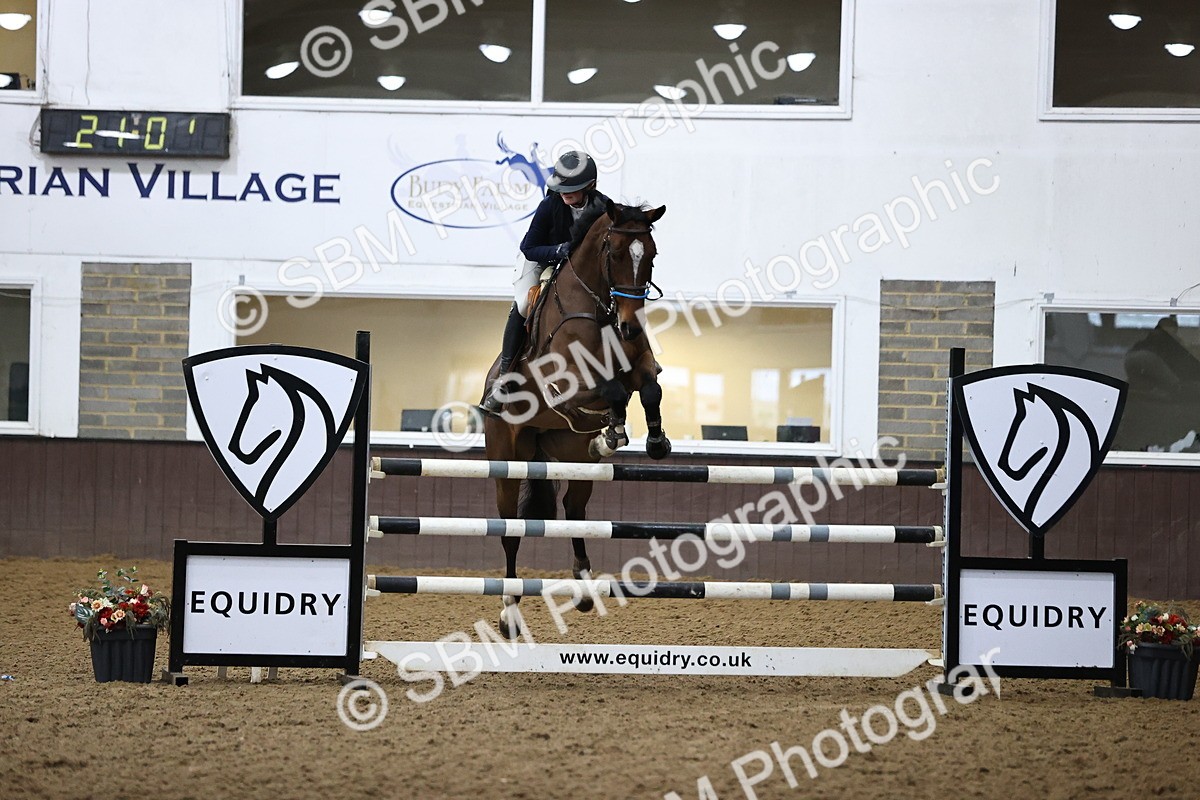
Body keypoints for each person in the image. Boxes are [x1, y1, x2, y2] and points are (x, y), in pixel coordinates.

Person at [480, 150, 610, 414]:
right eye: (561, 187)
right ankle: (505, 378)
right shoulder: (550, 206)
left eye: (571, 189)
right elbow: (529, 247)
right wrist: (559, 251)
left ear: (590, 186)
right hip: (541, 258)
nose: (565, 193)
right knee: (522, 304)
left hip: (578, 268)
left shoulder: (604, 208)